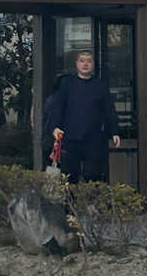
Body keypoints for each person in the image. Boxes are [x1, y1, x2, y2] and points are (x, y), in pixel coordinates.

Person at [42, 50, 120, 183]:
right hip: (70, 138)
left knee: (93, 177)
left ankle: (91, 204)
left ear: (94, 65)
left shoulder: (100, 86)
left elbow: (109, 110)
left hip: (94, 139)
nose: (85, 64)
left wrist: (114, 132)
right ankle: (70, 204)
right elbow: (59, 108)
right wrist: (55, 127)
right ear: (77, 64)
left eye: (89, 61)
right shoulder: (67, 84)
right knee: (69, 178)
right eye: (82, 61)